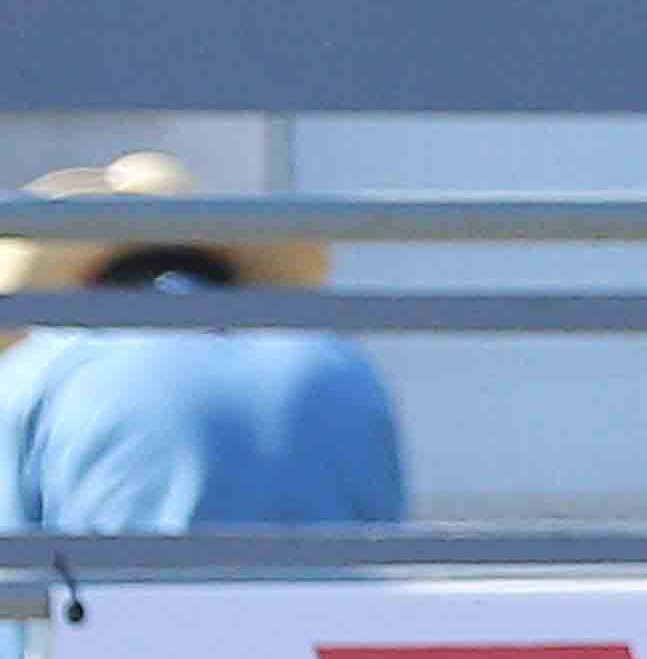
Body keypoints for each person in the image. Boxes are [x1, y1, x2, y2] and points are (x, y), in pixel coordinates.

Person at [0, 156, 404, 531]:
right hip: (323, 607)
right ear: (234, 273)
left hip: (121, 605)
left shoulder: (43, 366)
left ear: (84, 279)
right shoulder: (340, 364)